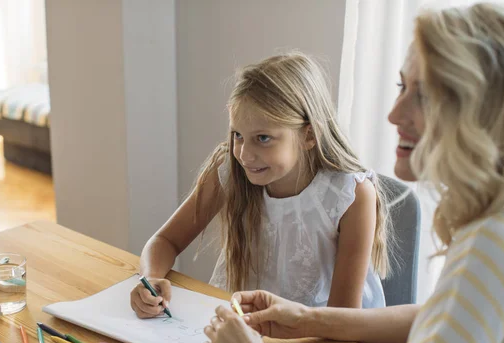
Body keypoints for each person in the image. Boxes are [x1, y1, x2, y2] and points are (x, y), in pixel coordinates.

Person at [202, 3, 504, 343]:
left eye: (423, 95)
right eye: (402, 86)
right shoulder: (493, 224)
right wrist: (310, 318)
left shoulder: (490, 244)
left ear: (479, 111)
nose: (394, 113)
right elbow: (444, 314)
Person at [130, 52, 391, 318]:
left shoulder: (350, 195)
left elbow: (341, 320)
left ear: (309, 135)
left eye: (263, 138)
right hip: (248, 327)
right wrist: (148, 280)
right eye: (238, 136)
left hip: (322, 339)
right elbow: (165, 240)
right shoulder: (231, 171)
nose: (244, 154)